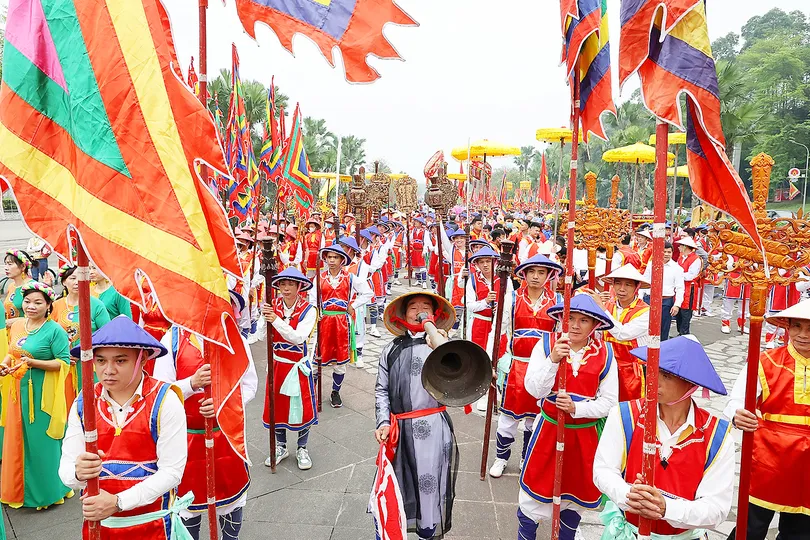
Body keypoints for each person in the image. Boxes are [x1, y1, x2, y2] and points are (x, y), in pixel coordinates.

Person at [59, 316, 190, 539]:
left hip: (153, 527)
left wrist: (118, 502)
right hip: (98, 528)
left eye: (120, 361)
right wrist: (78, 472)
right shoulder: (84, 402)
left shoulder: (165, 401)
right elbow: (66, 468)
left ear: (143, 358)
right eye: (101, 361)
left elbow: (171, 472)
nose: (108, 370)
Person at [594, 336, 734, 538]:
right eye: (652, 369)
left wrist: (667, 508)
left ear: (691, 384)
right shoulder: (626, 415)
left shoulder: (716, 436)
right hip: (630, 533)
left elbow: (716, 507)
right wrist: (629, 495)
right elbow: (603, 469)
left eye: (666, 375)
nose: (653, 380)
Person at [155, 291, 257, 540]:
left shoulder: (236, 341)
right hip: (185, 438)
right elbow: (158, 391)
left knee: (231, 497)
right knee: (188, 503)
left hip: (226, 436)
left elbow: (249, 385)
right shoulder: (173, 339)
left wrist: (222, 404)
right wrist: (191, 383)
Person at [517, 294, 618, 539]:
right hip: (548, 432)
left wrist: (577, 409)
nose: (574, 325)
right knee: (532, 500)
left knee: (574, 501)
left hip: (583, 438)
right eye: (570, 318)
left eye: (583, 320)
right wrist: (553, 360)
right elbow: (534, 390)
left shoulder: (605, 352)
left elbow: (609, 402)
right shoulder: (545, 344)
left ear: (595, 325)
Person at [374, 292, 458, 539]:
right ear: (403, 314)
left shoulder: (446, 347)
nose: (419, 311)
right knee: (399, 483)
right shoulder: (391, 349)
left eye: (425, 306)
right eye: (413, 307)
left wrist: (444, 349)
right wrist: (383, 421)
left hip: (435, 428)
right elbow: (381, 389)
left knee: (430, 485)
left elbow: (460, 381)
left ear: (435, 314)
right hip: (401, 429)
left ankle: (428, 531)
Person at [724, 300, 810, 539]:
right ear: (788, 327)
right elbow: (736, 400)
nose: (803, 335)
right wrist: (738, 414)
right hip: (769, 456)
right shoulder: (766, 361)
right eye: (797, 326)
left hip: (808, 463)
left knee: (800, 530)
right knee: (751, 525)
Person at [488, 253, 562, 478]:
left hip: (544, 368)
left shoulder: (557, 301)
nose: (536, 277)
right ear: (524, 274)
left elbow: (561, 335)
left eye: (541, 272)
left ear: (548, 275)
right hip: (517, 366)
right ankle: (501, 458)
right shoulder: (512, 298)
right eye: (531, 272)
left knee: (534, 418)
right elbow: (498, 329)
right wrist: (490, 361)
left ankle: (525, 458)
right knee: (508, 417)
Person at [1, 282, 72, 509]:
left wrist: (34, 363)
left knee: (42, 443)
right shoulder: (18, 325)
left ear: (49, 305)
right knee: (17, 439)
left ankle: (48, 493)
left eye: (38, 302)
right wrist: (5, 364)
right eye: (28, 301)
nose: (31, 306)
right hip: (17, 393)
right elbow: (12, 352)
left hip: (41, 396)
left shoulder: (55, 331)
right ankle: (18, 491)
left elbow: (64, 363)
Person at [262, 267, 318, 470]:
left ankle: (302, 448)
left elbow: (298, 337)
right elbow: (261, 334)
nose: (286, 288)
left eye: (291, 284)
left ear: (299, 286)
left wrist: (275, 320)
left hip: (297, 366)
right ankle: (281, 446)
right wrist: (263, 319)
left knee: (302, 408)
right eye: (282, 284)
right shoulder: (272, 306)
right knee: (277, 407)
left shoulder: (309, 310)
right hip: (277, 364)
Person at [312, 244, 372, 408]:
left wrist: (354, 305)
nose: (332, 260)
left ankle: (335, 392)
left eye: (335, 257)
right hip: (324, 322)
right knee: (316, 359)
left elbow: (368, 292)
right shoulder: (319, 278)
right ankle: (311, 392)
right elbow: (312, 299)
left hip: (341, 324)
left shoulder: (350, 278)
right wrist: (316, 313)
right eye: (329, 257)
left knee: (340, 362)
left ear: (342, 260)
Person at [589, 264, 651, 402]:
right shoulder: (607, 306)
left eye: (628, 285)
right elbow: (597, 334)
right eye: (618, 283)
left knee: (630, 408)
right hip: (606, 366)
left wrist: (601, 310)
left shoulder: (646, 312)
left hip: (632, 371)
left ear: (637, 287)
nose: (622, 289)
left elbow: (623, 334)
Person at [52, 265, 111, 405]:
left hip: (90, 361)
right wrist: (62, 355)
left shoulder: (96, 305)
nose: (76, 282)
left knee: (90, 401)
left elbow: (107, 334)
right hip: (63, 363)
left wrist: (82, 351)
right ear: (64, 281)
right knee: (65, 402)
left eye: (80, 278)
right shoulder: (55, 306)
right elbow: (48, 333)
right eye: (72, 278)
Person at [642, 242, 683, 341]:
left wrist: (677, 305)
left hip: (666, 301)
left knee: (663, 329)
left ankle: (662, 348)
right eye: (664, 252)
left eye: (669, 252)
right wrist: (639, 298)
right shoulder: (651, 264)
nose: (666, 254)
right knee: (645, 327)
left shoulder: (677, 268)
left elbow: (680, 288)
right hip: (649, 299)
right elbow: (644, 281)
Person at [674, 237, 701, 335]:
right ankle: (680, 332)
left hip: (689, 288)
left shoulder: (696, 259)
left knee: (686, 312)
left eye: (680, 246)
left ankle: (684, 333)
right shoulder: (681, 257)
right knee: (678, 311)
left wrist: (678, 275)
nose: (679, 248)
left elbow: (690, 276)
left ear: (685, 247)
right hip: (680, 286)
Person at [3, 250, 35, 327]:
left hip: (25, 330)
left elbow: (36, 317)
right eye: (5, 264)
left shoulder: (32, 287)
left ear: (23, 266)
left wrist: (10, 322)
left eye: (10, 264)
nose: (6, 268)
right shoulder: (11, 286)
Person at [410, 217, 428, 289]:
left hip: (421, 250)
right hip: (414, 250)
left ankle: (424, 282)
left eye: (417, 222)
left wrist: (424, 251)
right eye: (415, 221)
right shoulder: (413, 230)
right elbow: (411, 239)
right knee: (416, 267)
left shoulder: (424, 231)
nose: (415, 223)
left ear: (420, 223)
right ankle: (419, 280)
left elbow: (426, 242)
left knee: (422, 267)